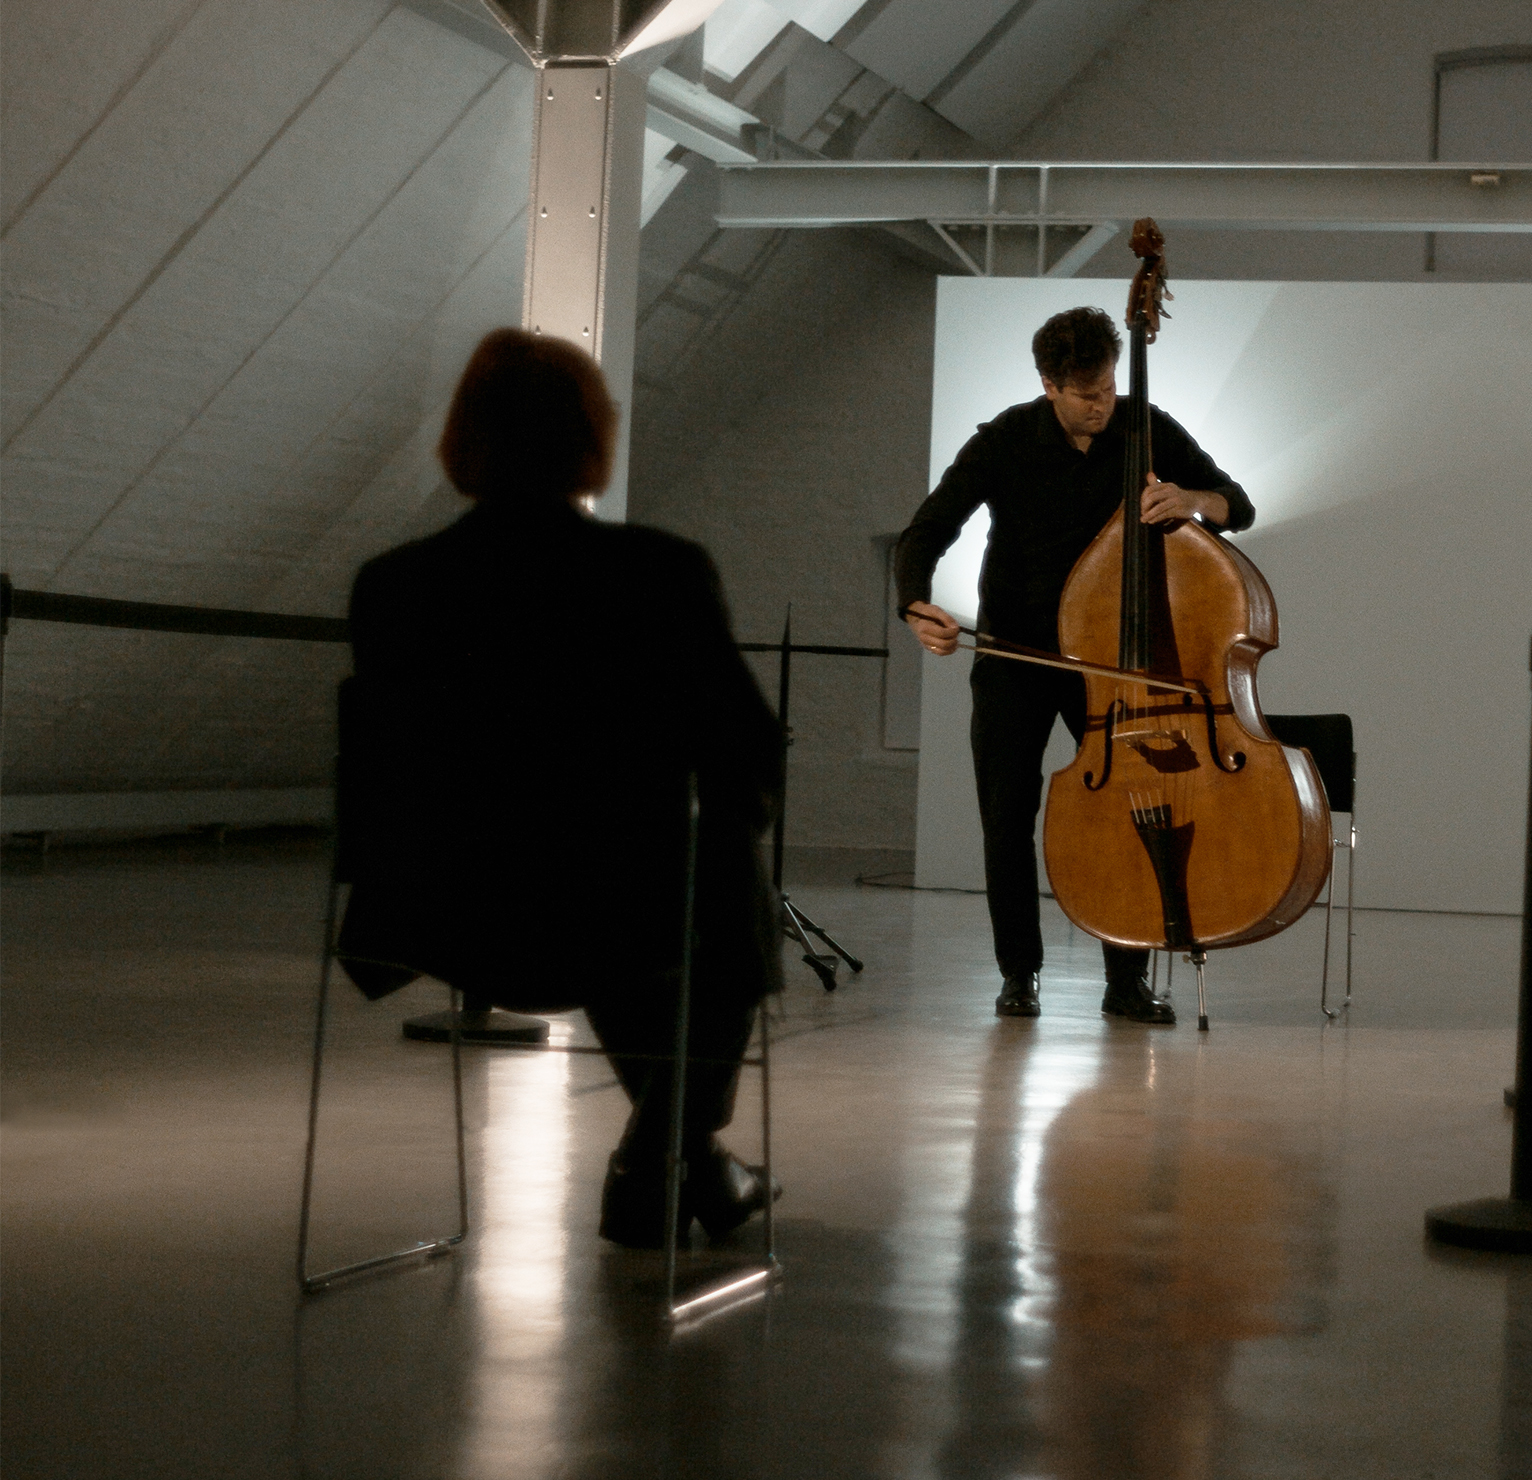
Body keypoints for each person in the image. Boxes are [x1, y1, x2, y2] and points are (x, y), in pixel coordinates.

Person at [337, 328, 783, 1248]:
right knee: (715, 881)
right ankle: (656, 1162)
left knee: (621, 889)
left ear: (466, 437)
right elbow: (744, 752)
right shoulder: (657, 572)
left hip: (442, 919)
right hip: (615, 917)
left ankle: (683, 1167)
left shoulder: (392, 586)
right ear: (588, 437)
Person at [894, 306, 1254, 1024]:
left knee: (1130, 809)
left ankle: (1126, 981)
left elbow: (1235, 505)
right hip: (1014, 655)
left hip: (1112, 666)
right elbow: (927, 530)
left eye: (1110, 387)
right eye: (1087, 393)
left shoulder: (1144, 425)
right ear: (1049, 385)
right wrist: (914, 604)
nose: (1103, 404)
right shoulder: (1003, 441)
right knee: (1006, 816)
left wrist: (1191, 500)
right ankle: (1018, 974)